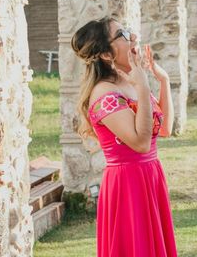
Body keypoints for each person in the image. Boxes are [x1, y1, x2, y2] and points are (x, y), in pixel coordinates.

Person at [71, 17, 177, 257]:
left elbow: (164, 129)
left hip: (150, 175)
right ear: (107, 55)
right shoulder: (105, 93)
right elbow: (140, 143)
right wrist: (142, 87)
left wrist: (163, 81)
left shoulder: (128, 81)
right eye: (123, 34)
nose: (133, 37)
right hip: (128, 183)